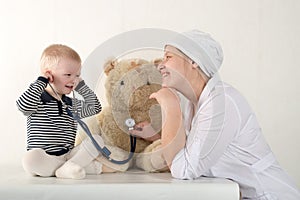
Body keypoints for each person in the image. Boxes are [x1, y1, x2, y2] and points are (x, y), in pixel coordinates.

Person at [130, 30, 300, 199]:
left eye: (168, 57)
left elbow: (183, 169)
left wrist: (170, 104)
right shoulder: (193, 104)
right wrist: (155, 136)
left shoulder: (223, 103)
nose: (160, 65)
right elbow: (191, 151)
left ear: (194, 61)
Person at [16, 44, 106, 179]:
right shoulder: (36, 99)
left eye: (77, 75)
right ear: (49, 75)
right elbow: (23, 106)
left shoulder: (70, 103)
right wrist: (41, 81)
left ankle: (67, 167)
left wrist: (81, 87)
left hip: (67, 155)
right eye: (68, 75)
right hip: (45, 157)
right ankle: (72, 167)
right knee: (29, 159)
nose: (73, 80)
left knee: (97, 140)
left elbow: (95, 108)